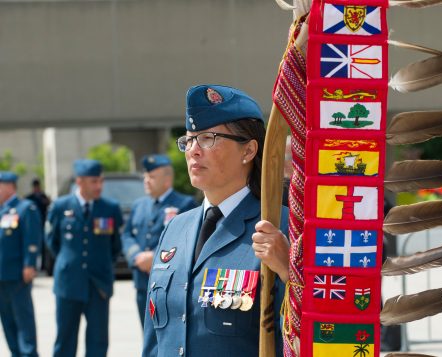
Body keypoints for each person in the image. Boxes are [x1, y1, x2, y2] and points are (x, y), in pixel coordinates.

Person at [142, 84, 290, 357]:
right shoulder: (176, 228)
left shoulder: (279, 226)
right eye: (189, 140)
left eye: (208, 138)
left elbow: (314, 331)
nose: (193, 151)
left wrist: (289, 273)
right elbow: (155, 338)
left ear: (248, 151)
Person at [45, 159, 123, 357]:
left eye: (100, 181)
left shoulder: (110, 208)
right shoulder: (60, 206)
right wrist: (69, 262)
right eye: (93, 182)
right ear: (79, 182)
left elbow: (115, 245)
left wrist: (102, 264)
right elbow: (52, 241)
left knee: (98, 340)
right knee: (65, 339)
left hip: (99, 285)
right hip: (69, 283)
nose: (99, 186)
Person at [121, 154, 198, 327]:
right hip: (143, 282)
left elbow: (187, 239)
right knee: (147, 337)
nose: (147, 180)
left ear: (167, 180)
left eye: (152, 177)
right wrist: (136, 256)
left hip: (170, 284)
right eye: (146, 176)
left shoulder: (185, 204)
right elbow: (126, 235)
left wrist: (154, 258)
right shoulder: (139, 205)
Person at [0, 171, 42, 357]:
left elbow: (32, 239)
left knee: (23, 321)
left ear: (9, 186)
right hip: (2, 276)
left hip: (17, 275)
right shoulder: (2, 211)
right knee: (7, 322)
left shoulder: (26, 208)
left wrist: (30, 264)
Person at [25, 178, 51, 270]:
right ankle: (32, 264)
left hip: (42, 223)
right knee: (32, 245)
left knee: (44, 246)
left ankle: (44, 265)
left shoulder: (43, 197)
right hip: (32, 225)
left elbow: (48, 206)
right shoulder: (29, 198)